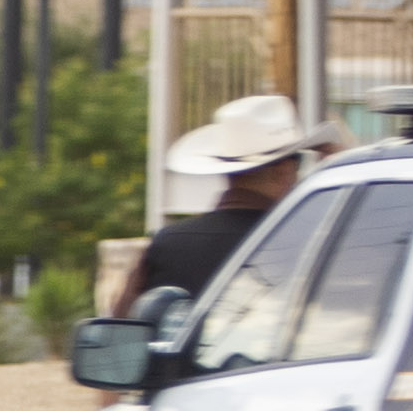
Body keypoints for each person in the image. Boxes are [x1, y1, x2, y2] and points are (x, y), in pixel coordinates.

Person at [133, 91, 326, 308]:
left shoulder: (166, 244)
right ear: (282, 172)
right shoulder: (309, 242)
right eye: (299, 165)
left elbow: (122, 328)